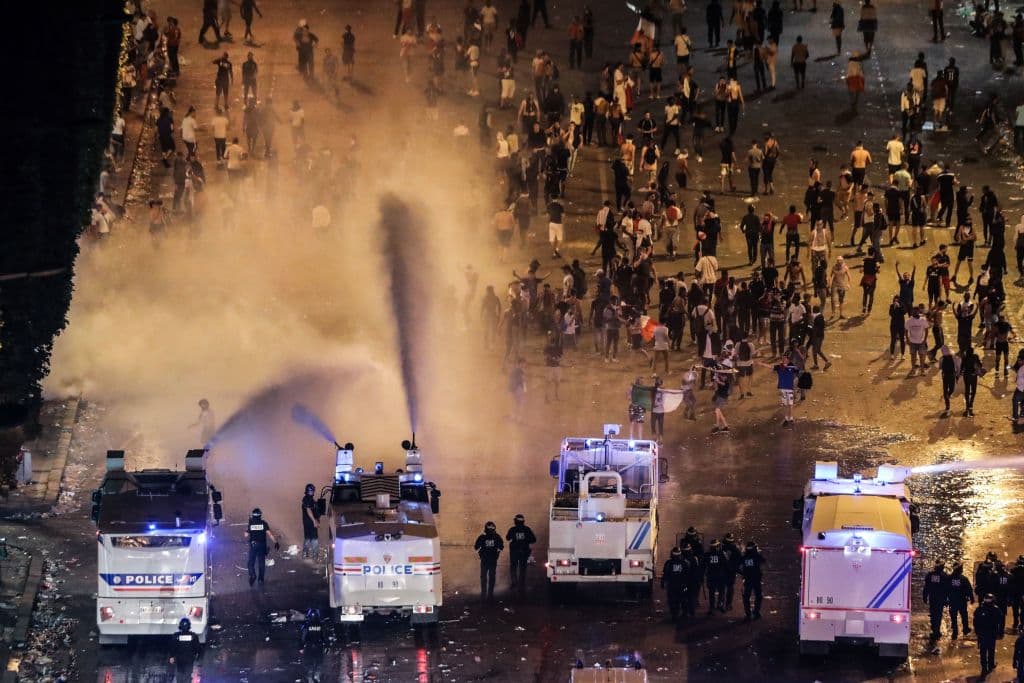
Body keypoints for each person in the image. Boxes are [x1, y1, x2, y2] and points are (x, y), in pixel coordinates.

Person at [245, 508, 280, 586]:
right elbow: (270, 534)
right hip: (262, 545)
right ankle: (261, 579)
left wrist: (248, 527)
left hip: (253, 545)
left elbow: (246, 535)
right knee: (261, 562)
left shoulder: (251, 524)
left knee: (251, 563)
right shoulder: (263, 523)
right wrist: (276, 542)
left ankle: (253, 575)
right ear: (260, 515)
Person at [506, 514, 536, 597]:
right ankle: (521, 586)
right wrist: (526, 541)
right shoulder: (527, 529)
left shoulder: (513, 529)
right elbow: (533, 539)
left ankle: (514, 583)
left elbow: (507, 538)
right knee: (522, 569)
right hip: (524, 552)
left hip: (514, 552)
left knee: (513, 567)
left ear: (515, 521)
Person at [474, 521, 504, 602]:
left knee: (484, 577)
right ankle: (490, 595)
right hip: (492, 560)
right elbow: (501, 547)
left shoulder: (482, 537)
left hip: (485, 560)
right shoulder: (497, 536)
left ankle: (484, 594)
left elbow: (476, 547)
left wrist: (482, 552)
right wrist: (496, 552)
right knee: (491, 577)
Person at [975, 594, 1003, 676]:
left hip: (982, 634)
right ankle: (990, 665)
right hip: (991, 633)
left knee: (983, 651)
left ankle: (984, 667)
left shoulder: (979, 609)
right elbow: (1000, 621)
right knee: (991, 649)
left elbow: (975, 621)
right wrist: (1000, 632)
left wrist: (977, 632)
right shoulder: (996, 609)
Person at [661, 547, 689, 623]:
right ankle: (683, 615)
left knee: (673, 601)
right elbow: (688, 575)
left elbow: (665, 574)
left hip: (672, 586)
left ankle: (675, 615)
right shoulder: (684, 562)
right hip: (681, 585)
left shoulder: (669, 563)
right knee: (683, 601)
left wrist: (663, 583)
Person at [948, 562, 975, 639]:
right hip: (961, 601)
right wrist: (972, 598)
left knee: (953, 616)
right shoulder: (963, 579)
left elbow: (945, 589)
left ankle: (955, 632)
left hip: (952, 601)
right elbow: (969, 589)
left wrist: (945, 600)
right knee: (964, 615)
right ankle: (965, 629)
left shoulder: (949, 578)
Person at [739, 540, 765, 621]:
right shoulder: (756, 556)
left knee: (746, 597)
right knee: (758, 596)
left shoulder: (744, 557)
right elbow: (763, 560)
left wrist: (742, 573)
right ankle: (756, 612)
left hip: (747, 580)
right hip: (756, 579)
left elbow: (739, 565)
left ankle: (748, 614)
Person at [924, 559, 949, 639]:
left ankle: (934, 630)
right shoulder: (944, 576)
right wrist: (947, 600)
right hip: (940, 599)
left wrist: (925, 596)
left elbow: (926, 587)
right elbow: (947, 589)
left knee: (933, 614)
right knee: (937, 615)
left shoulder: (930, 575)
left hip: (933, 598)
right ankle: (936, 631)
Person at [961, 344, 984, 417]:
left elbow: (962, 368)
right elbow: (980, 365)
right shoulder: (975, 357)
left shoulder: (964, 358)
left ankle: (967, 406)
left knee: (967, 391)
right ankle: (971, 405)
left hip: (966, 376)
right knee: (973, 391)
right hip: (973, 376)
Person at [301, 483, 320, 560]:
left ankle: (305, 554)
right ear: (308, 491)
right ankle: (315, 556)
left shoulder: (309, 499)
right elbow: (308, 510)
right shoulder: (307, 499)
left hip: (308, 522)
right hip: (310, 522)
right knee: (314, 538)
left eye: (313, 490)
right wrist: (314, 521)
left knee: (308, 538)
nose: (313, 492)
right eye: (311, 490)